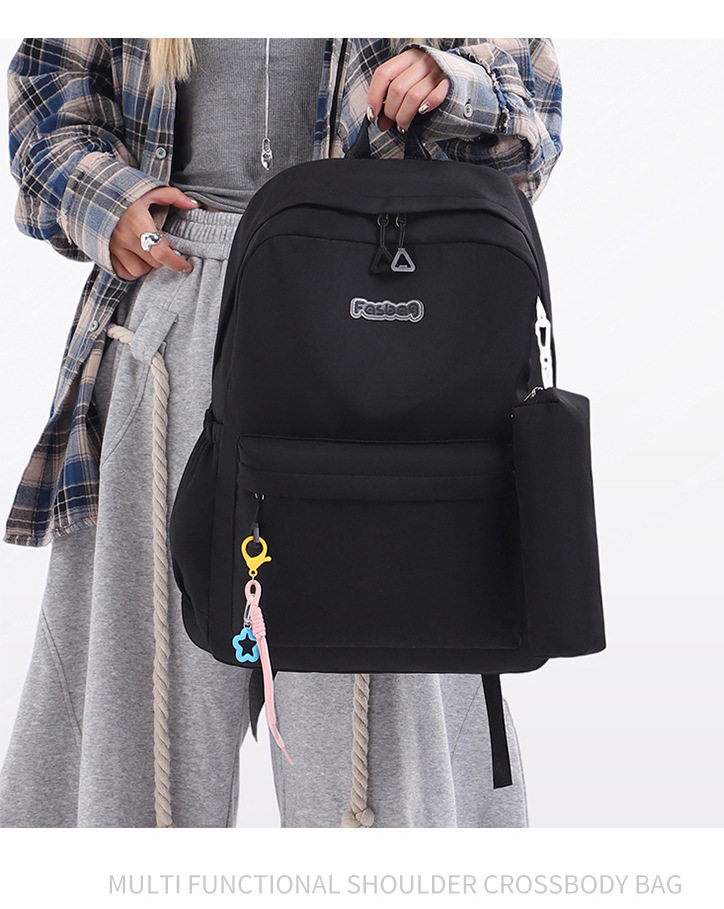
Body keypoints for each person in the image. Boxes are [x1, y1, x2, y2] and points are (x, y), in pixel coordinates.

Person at [0, 38, 563, 828]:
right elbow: (47, 82)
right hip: (173, 302)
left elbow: (530, 131)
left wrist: (452, 82)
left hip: (373, 313)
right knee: (134, 749)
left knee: (387, 772)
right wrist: (106, 198)